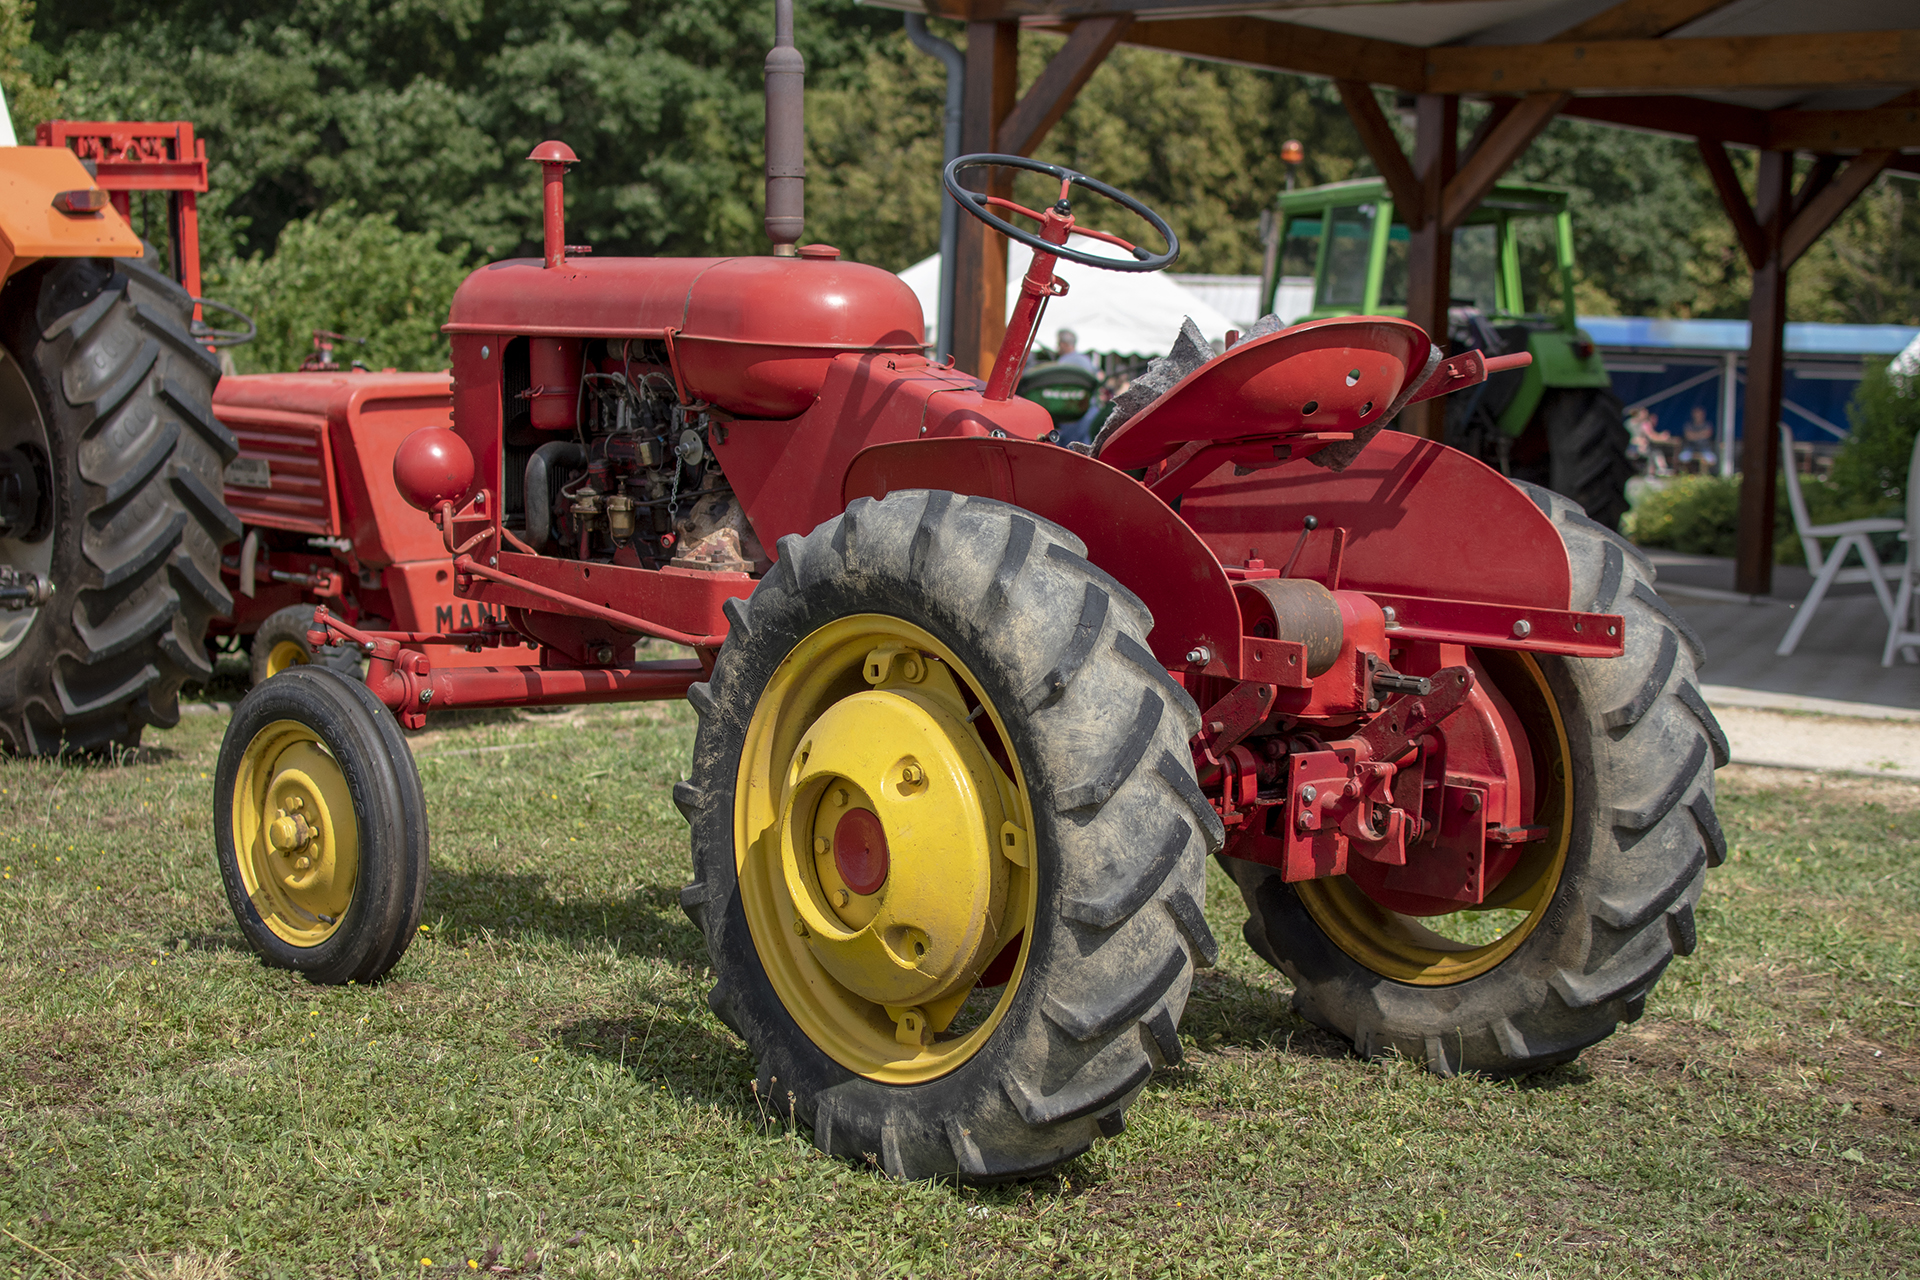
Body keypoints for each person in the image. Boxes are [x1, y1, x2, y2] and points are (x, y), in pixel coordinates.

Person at [1677, 405, 1718, 474]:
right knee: (1682, 458)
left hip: (1705, 449)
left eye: (1699, 415)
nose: (1698, 416)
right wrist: (1702, 434)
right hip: (1690, 449)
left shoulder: (1708, 425)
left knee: (1712, 460)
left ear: (1703, 415)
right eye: (1696, 415)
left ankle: (1706, 475)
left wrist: (1694, 435)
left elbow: (1708, 433)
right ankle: (1686, 474)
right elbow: (1689, 436)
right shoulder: (1689, 425)